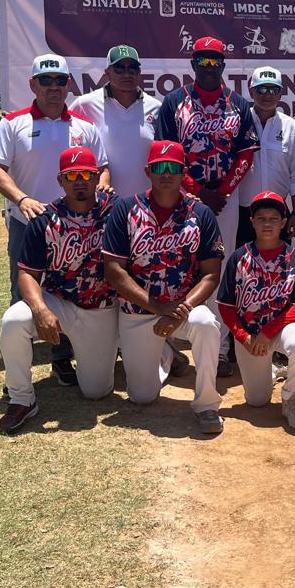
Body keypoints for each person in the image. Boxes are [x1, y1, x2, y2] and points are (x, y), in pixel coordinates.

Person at [0, 53, 106, 385]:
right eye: (46, 80)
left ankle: (61, 358)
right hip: (28, 222)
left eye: (60, 80)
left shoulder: (84, 127)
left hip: (76, 228)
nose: (54, 86)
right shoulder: (13, 124)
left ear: (68, 84)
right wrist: (22, 199)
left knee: (67, 291)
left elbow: (102, 168)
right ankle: (20, 372)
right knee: (23, 290)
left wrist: (101, 193)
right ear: (32, 84)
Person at [102, 140, 227, 435]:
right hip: (138, 311)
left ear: (183, 173)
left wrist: (178, 311)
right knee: (142, 397)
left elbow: (211, 274)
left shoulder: (200, 213)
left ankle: (207, 404)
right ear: (148, 171)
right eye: (160, 167)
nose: (167, 173)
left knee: (206, 323)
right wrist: (158, 307)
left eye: (173, 167)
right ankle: (169, 355)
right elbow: (114, 271)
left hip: (183, 309)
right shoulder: (125, 209)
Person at [154, 35, 261, 373]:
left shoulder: (238, 104)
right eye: (203, 60)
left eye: (216, 61)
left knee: (221, 265)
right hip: (181, 197)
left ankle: (220, 347)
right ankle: (172, 341)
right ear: (193, 64)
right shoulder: (174, 102)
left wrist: (223, 192)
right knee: (177, 263)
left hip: (224, 200)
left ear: (223, 65)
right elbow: (166, 154)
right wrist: (196, 190)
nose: (210, 67)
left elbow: (246, 154)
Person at [0, 147, 119, 433]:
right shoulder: (44, 218)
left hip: (101, 308)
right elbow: (27, 273)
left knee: (96, 392)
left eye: (86, 175)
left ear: (96, 177)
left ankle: (161, 353)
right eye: (71, 176)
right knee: (13, 320)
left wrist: (189, 200)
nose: (80, 181)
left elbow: (154, 205)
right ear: (60, 180)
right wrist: (40, 309)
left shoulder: (117, 211)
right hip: (59, 302)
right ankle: (22, 399)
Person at [216, 191, 295, 428]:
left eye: (273, 219)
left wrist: (268, 332)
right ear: (252, 221)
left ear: (283, 222)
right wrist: (243, 336)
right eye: (261, 218)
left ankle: (292, 399)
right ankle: (271, 372)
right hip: (250, 337)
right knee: (257, 401)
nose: (267, 224)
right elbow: (225, 305)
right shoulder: (238, 257)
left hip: (280, 330)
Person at [69, 44, 162, 200]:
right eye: (119, 68)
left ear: (139, 73)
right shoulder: (85, 105)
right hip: (101, 202)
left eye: (132, 69)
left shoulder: (156, 107)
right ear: (107, 72)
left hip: (145, 203)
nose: (126, 74)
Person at [235, 66, 295, 248]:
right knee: (243, 261)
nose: (268, 95)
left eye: (273, 90)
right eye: (261, 89)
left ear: (280, 94)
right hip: (242, 211)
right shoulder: (239, 122)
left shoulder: (291, 126)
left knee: (279, 262)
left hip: (278, 211)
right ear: (251, 91)